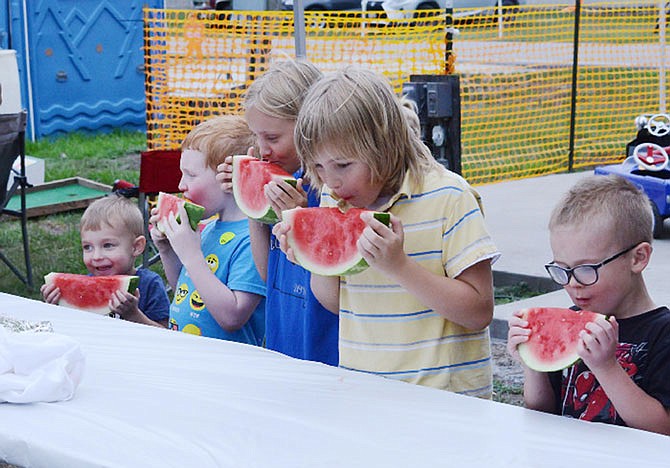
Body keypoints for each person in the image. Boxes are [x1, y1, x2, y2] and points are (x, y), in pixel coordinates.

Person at [274, 66, 500, 396]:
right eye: (319, 167)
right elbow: (337, 303)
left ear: (383, 145)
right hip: (364, 394)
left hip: (445, 405)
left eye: (343, 165)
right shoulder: (332, 196)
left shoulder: (449, 198)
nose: (331, 181)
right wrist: (313, 259)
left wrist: (400, 267)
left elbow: (479, 311)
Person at [507, 174, 670, 434]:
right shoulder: (571, 319)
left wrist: (607, 368)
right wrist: (532, 363)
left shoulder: (663, 335)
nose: (572, 283)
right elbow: (541, 410)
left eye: (586, 269)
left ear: (638, 258)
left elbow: (662, 430)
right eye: (562, 269)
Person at [216, 59, 339, 366]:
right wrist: (250, 203)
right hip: (284, 343)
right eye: (256, 137)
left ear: (311, 127)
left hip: (325, 351)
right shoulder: (282, 184)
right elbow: (267, 273)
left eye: (272, 138)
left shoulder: (332, 192)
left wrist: (303, 221)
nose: (262, 149)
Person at [151, 115, 266, 345]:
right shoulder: (207, 228)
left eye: (191, 175)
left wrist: (191, 255)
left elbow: (232, 316)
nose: (181, 185)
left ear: (229, 178)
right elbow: (188, 291)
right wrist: (167, 250)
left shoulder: (252, 239)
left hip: (226, 368)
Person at [41, 194, 170, 327]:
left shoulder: (150, 285)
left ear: (136, 247)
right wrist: (57, 306)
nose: (96, 256)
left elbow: (166, 333)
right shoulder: (86, 285)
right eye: (88, 247)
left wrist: (134, 315)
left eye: (108, 245)